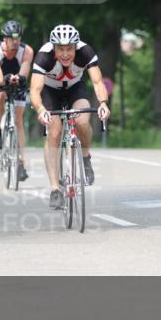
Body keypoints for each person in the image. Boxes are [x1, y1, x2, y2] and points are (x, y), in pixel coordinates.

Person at [29, 24, 110, 210]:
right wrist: (41, 110)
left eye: (69, 49)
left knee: (82, 120)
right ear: (54, 48)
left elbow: (97, 82)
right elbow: (35, 90)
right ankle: (55, 189)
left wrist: (104, 103)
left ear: (76, 47)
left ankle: (85, 156)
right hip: (50, 92)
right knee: (54, 132)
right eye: (60, 50)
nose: (65, 54)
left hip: (75, 88)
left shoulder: (85, 52)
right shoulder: (44, 56)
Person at [0, 20, 34, 181]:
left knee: (19, 120)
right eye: (12, 38)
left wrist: (19, 79)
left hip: (16, 76)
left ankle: (21, 163)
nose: (15, 42)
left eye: (18, 38)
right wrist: (5, 81)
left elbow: (24, 72)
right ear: (4, 39)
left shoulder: (27, 51)